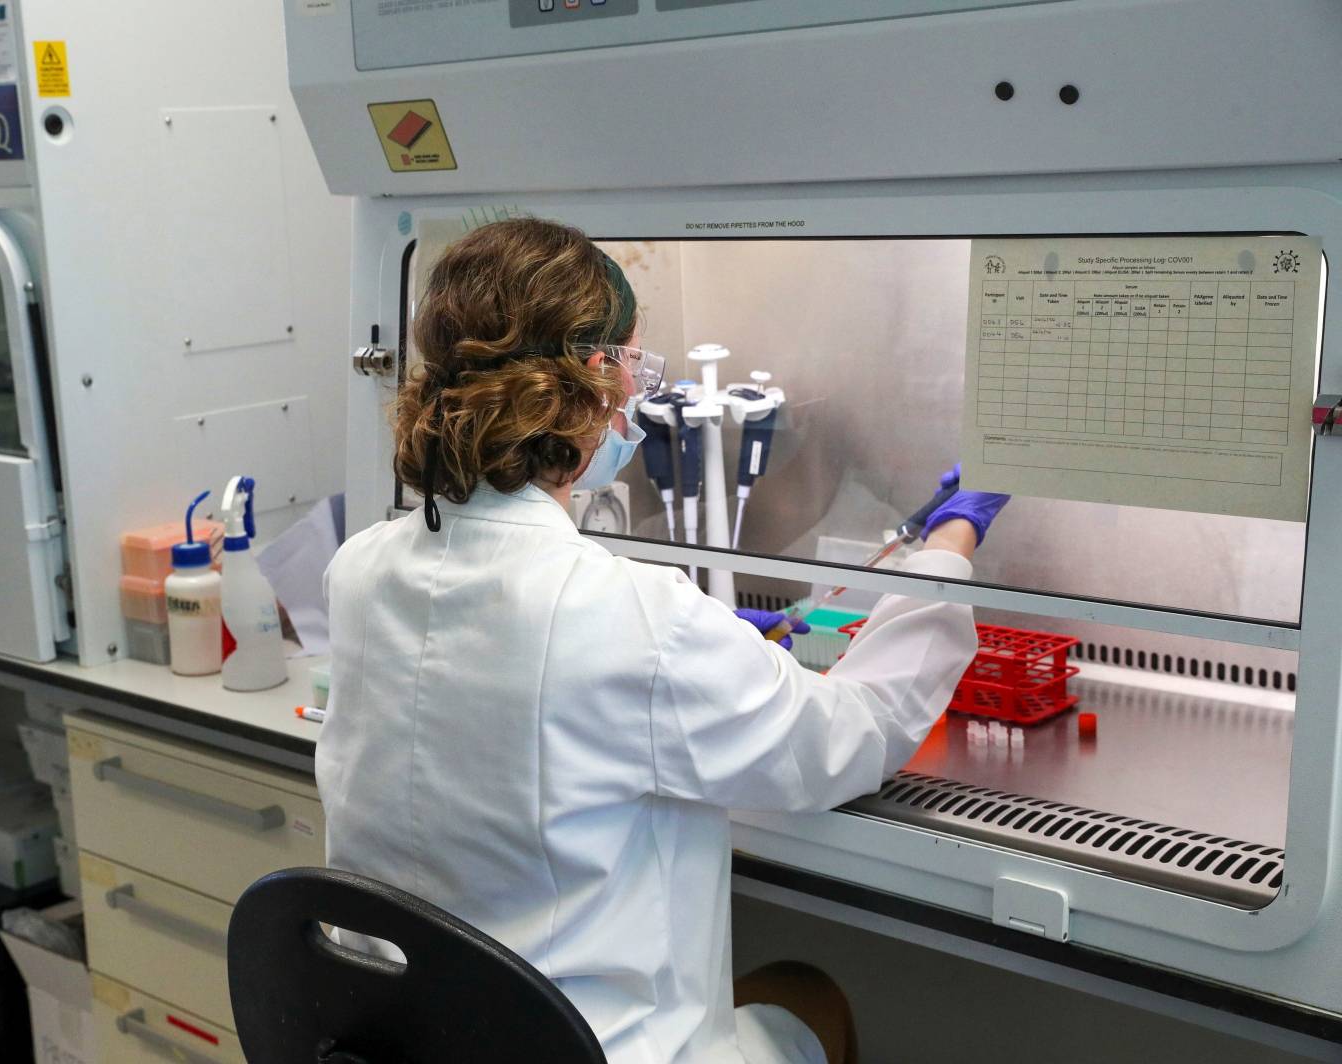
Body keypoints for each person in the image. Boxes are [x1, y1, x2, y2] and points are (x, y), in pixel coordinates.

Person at [317, 219, 1009, 1064]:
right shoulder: (625, 615)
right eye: (637, 367)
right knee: (809, 997)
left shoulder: (358, 571)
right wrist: (945, 556)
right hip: (598, 1052)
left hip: (419, 1048)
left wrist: (704, 654)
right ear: (595, 380)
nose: (640, 397)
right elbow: (843, 739)